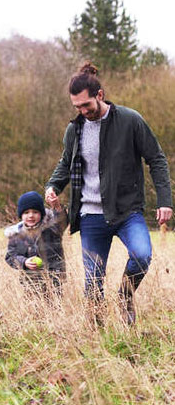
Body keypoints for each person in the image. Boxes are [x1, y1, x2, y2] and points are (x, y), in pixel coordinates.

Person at [45, 63, 173, 325]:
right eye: (77, 107)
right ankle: (98, 339)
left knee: (141, 255)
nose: (82, 111)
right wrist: (53, 186)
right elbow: (66, 163)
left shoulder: (130, 120)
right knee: (92, 283)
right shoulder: (75, 129)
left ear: (99, 95)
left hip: (127, 211)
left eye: (86, 105)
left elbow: (157, 159)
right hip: (90, 215)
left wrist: (165, 201)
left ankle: (125, 295)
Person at [5, 191, 68, 299]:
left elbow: (62, 221)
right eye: (26, 212)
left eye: (35, 212)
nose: (30, 215)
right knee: (35, 308)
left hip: (54, 278)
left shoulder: (51, 229)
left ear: (41, 213)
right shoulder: (17, 235)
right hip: (30, 281)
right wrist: (24, 262)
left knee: (54, 307)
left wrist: (57, 207)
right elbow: (11, 256)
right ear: (21, 215)